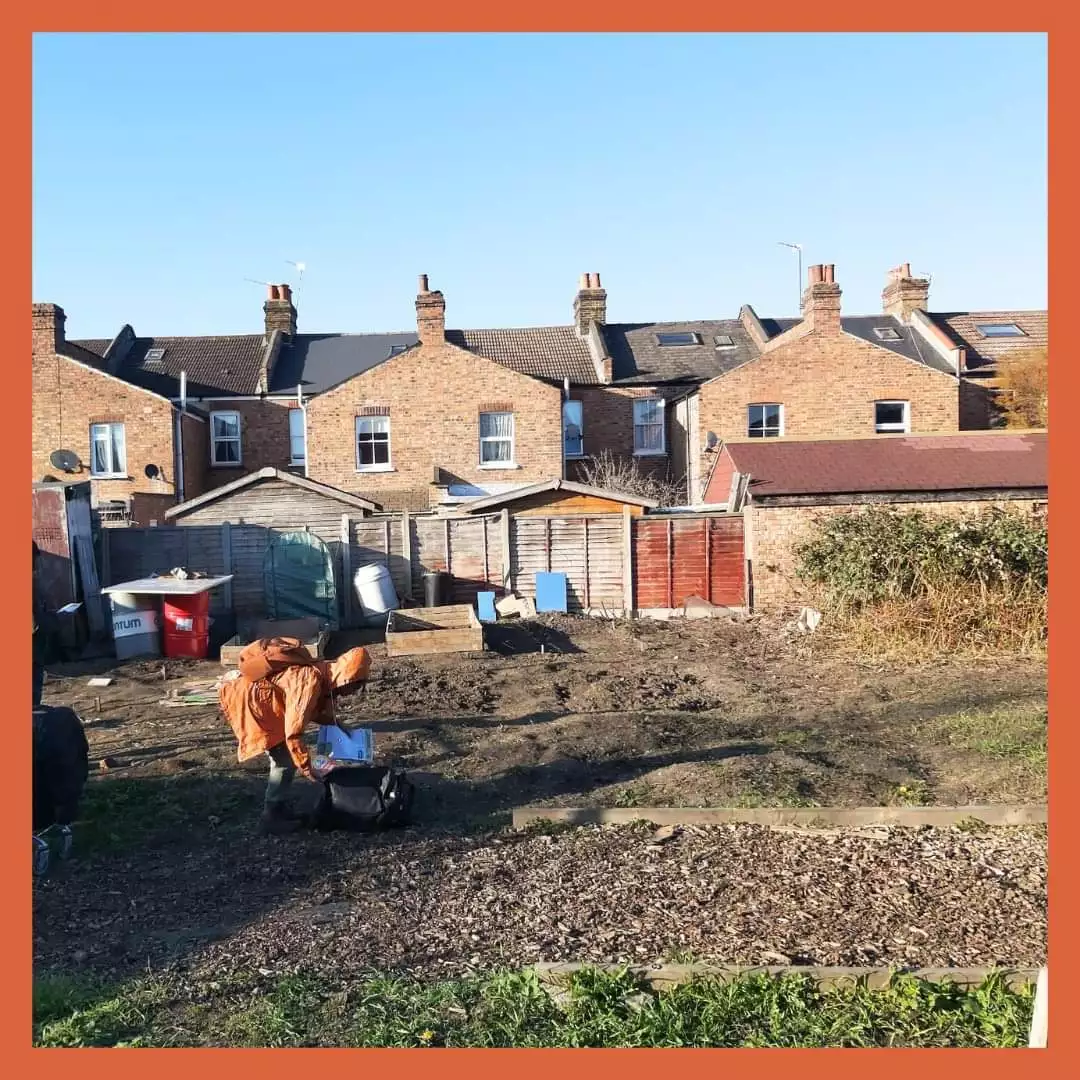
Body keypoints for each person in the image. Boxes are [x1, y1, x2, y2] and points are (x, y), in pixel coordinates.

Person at [218, 645, 371, 834]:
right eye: (353, 686)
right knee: (284, 760)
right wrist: (308, 769)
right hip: (253, 703)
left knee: (285, 758)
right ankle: (271, 817)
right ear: (346, 678)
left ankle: (279, 809)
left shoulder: (322, 673)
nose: (350, 693)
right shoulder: (310, 680)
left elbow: (311, 709)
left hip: (263, 700)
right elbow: (294, 730)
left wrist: (337, 724)